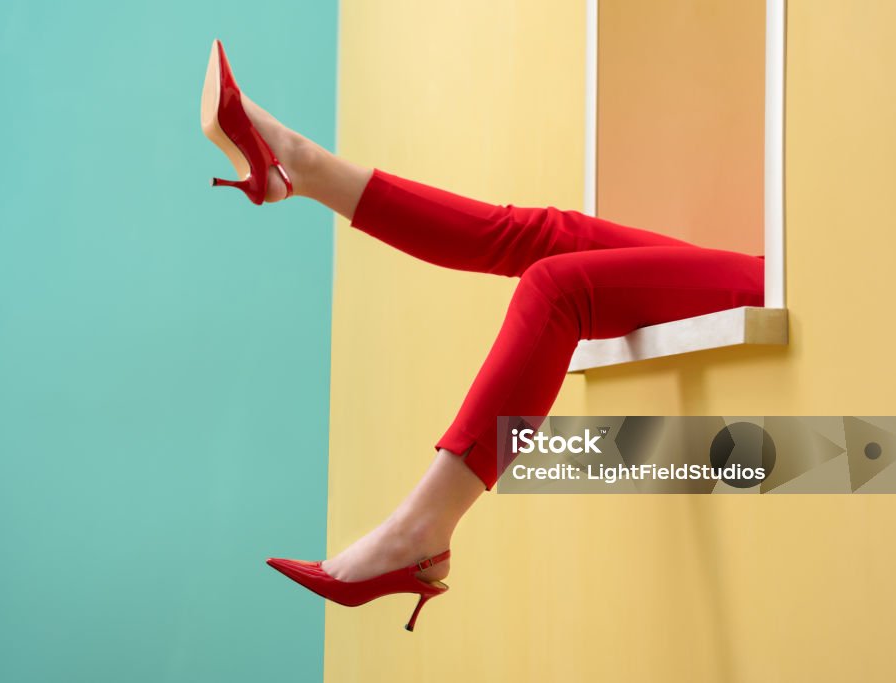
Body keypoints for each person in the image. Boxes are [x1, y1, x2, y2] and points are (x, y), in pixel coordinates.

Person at [200, 39, 765, 631]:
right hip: (785, 261)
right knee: (538, 233)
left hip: (822, 282)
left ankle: (423, 528)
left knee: (558, 287)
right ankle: (303, 165)